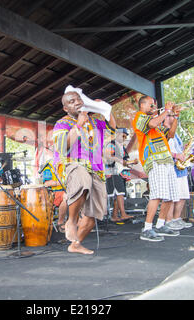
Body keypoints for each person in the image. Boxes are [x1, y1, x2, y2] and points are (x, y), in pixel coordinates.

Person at [53, 90, 115, 254]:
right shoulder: (62, 123)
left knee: (94, 213)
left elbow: (112, 128)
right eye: (72, 101)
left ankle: (75, 244)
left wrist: (104, 109)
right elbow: (63, 146)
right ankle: (71, 221)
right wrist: (78, 124)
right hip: (72, 164)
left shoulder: (93, 121)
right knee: (82, 179)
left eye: (79, 99)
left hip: (95, 168)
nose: (77, 102)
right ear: (66, 108)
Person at [132, 95, 181, 242]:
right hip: (155, 160)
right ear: (142, 105)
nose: (153, 107)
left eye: (154, 105)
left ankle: (160, 225)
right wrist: (166, 111)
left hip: (166, 161)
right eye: (151, 105)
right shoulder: (140, 117)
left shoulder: (157, 125)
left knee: (170, 195)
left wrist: (175, 117)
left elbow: (170, 134)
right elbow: (152, 124)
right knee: (157, 194)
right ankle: (147, 228)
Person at [163, 114, 193, 230]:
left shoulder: (176, 134)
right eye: (170, 115)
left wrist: (184, 149)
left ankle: (176, 219)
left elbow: (177, 149)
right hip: (171, 166)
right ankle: (169, 220)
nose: (173, 118)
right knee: (171, 196)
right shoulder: (164, 132)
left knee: (183, 195)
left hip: (181, 168)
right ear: (165, 118)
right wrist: (176, 155)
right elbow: (163, 152)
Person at [104, 128, 137, 222]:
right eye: (123, 135)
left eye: (126, 136)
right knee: (120, 193)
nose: (124, 138)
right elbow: (108, 155)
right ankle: (123, 214)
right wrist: (121, 161)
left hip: (120, 172)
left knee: (119, 194)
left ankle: (114, 215)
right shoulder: (112, 144)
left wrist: (131, 163)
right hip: (113, 171)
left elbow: (124, 161)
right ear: (117, 134)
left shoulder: (122, 147)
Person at [41, 160, 68, 233]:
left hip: (66, 190)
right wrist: (58, 183)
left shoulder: (65, 164)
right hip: (54, 193)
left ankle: (77, 222)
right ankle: (60, 223)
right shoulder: (48, 167)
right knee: (65, 197)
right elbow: (46, 183)